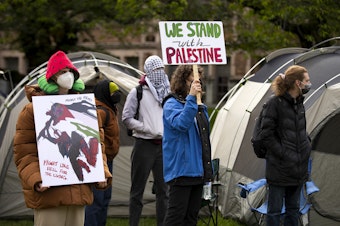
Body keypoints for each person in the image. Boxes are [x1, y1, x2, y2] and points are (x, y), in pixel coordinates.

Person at [13, 50, 112, 226]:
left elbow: (98, 145)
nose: (67, 76)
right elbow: (23, 153)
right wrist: (36, 179)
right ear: (52, 77)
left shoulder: (85, 109)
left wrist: (101, 173)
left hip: (79, 192)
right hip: (49, 194)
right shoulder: (32, 110)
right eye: (62, 72)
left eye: (70, 72)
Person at [162, 65, 213, 226]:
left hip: (198, 170)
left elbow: (204, 136)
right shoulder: (171, 104)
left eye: (198, 83)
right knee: (176, 217)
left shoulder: (198, 105)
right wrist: (192, 99)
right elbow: (181, 124)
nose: (196, 86)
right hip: (181, 170)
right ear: (182, 81)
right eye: (192, 82)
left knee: (191, 218)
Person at [261, 65, 312, 226]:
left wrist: (305, 148)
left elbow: (301, 132)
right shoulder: (274, 103)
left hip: (297, 169)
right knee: (275, 212)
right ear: (298, 83)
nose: (309, 83)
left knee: (293, 210)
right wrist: (285, 154)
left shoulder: (299, 104)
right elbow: (266, 135)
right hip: (279, 169)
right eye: (307, 80)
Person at [122, 55, 169, 226]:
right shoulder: (138, 92)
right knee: (137, 191)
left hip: (163, 147)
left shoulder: (167, 91)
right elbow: (126, 117)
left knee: (164, 191)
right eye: (155, 70)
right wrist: (146, 128)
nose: (159, 73)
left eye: (161, 69)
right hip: (144, 145)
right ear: (148, 71)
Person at [85, 80, 121, 226]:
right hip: (99, 161)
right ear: (105, 93)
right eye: (113, 92)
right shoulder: (100, 111)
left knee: (104, 199)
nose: (116, 95)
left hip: (108, 160)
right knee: (96, 201)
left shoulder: (109, 108)